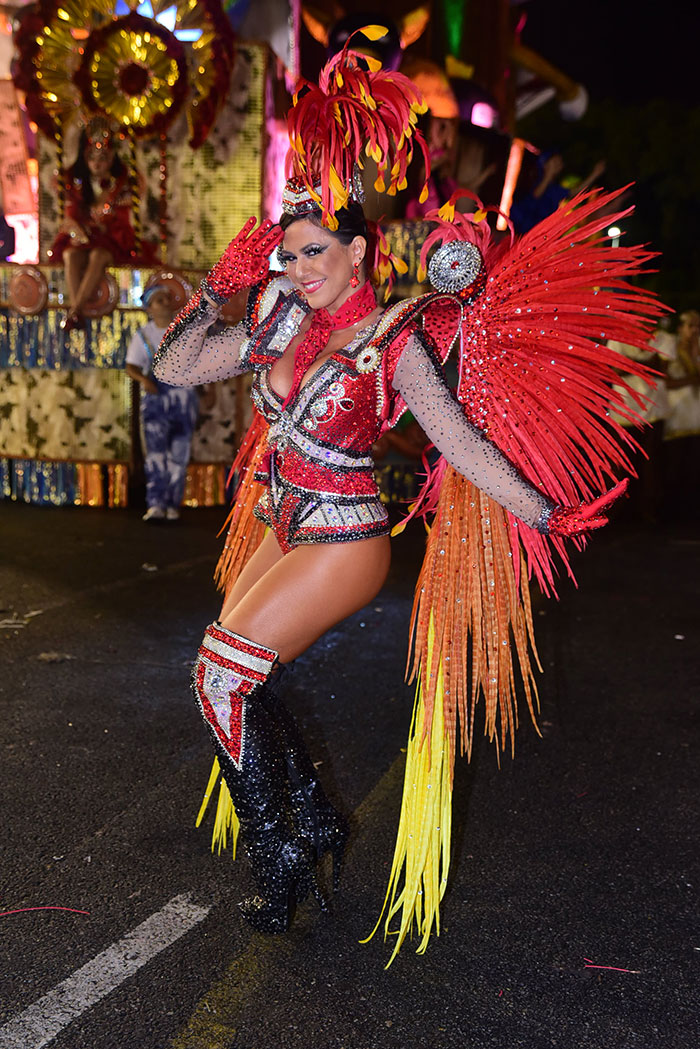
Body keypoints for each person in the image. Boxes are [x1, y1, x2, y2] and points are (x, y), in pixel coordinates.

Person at [151, 40, 660, 960]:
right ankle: (313, 821)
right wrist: (221, 290)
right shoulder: (279, 321)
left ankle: (285, 851)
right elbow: (175, 366)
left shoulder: (397, 341)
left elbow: (460, 445)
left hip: (345, 537)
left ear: (358, 249)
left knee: (219, 672)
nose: (299, 269)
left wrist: (543, 510)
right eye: (288, 252)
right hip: (281, 520)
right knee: (229, 682)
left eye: (314, 253)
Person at [49, 118, 154, 333]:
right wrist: (77, 231)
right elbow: (69, 219)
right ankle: (76, 312)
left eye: (102, 158)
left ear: (112, 158)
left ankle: (74, 312)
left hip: (112, 241)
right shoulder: (76, 185)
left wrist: (106, 222)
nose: (97, 163)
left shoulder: (122, 185)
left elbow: (121, 223)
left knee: (98, 255)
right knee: (70, 255)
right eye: (91, 158)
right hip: (84, 239)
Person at [126, 284, 199, 522]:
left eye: (166, 299)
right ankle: (155, 503)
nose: (164, 304)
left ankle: (172, 503)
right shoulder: (144, 335)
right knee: (156, 453)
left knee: (179, 453)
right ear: (149, 309)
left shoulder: (183, 330)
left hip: (183, 398)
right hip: (157, 398)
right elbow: (131, 366)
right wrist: (143, 380)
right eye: (158, 301)